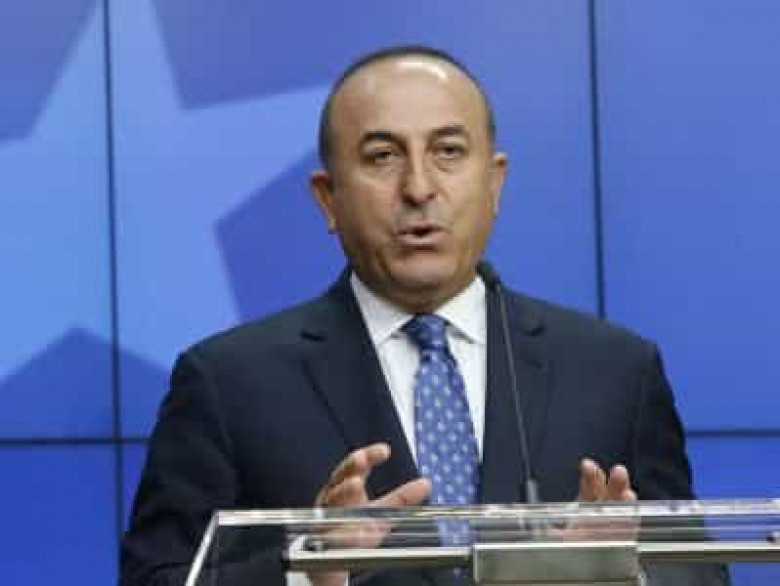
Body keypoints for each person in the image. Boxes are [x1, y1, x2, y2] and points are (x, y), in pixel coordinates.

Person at [120, 46, 729, 586]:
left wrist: (618, 575)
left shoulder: (615, 370)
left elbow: (700, 572)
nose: (418, 187)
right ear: (328, 199)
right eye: (383, 156)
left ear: (494, 183)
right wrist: (308, 569)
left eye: (448, 152)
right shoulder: (229, 383)